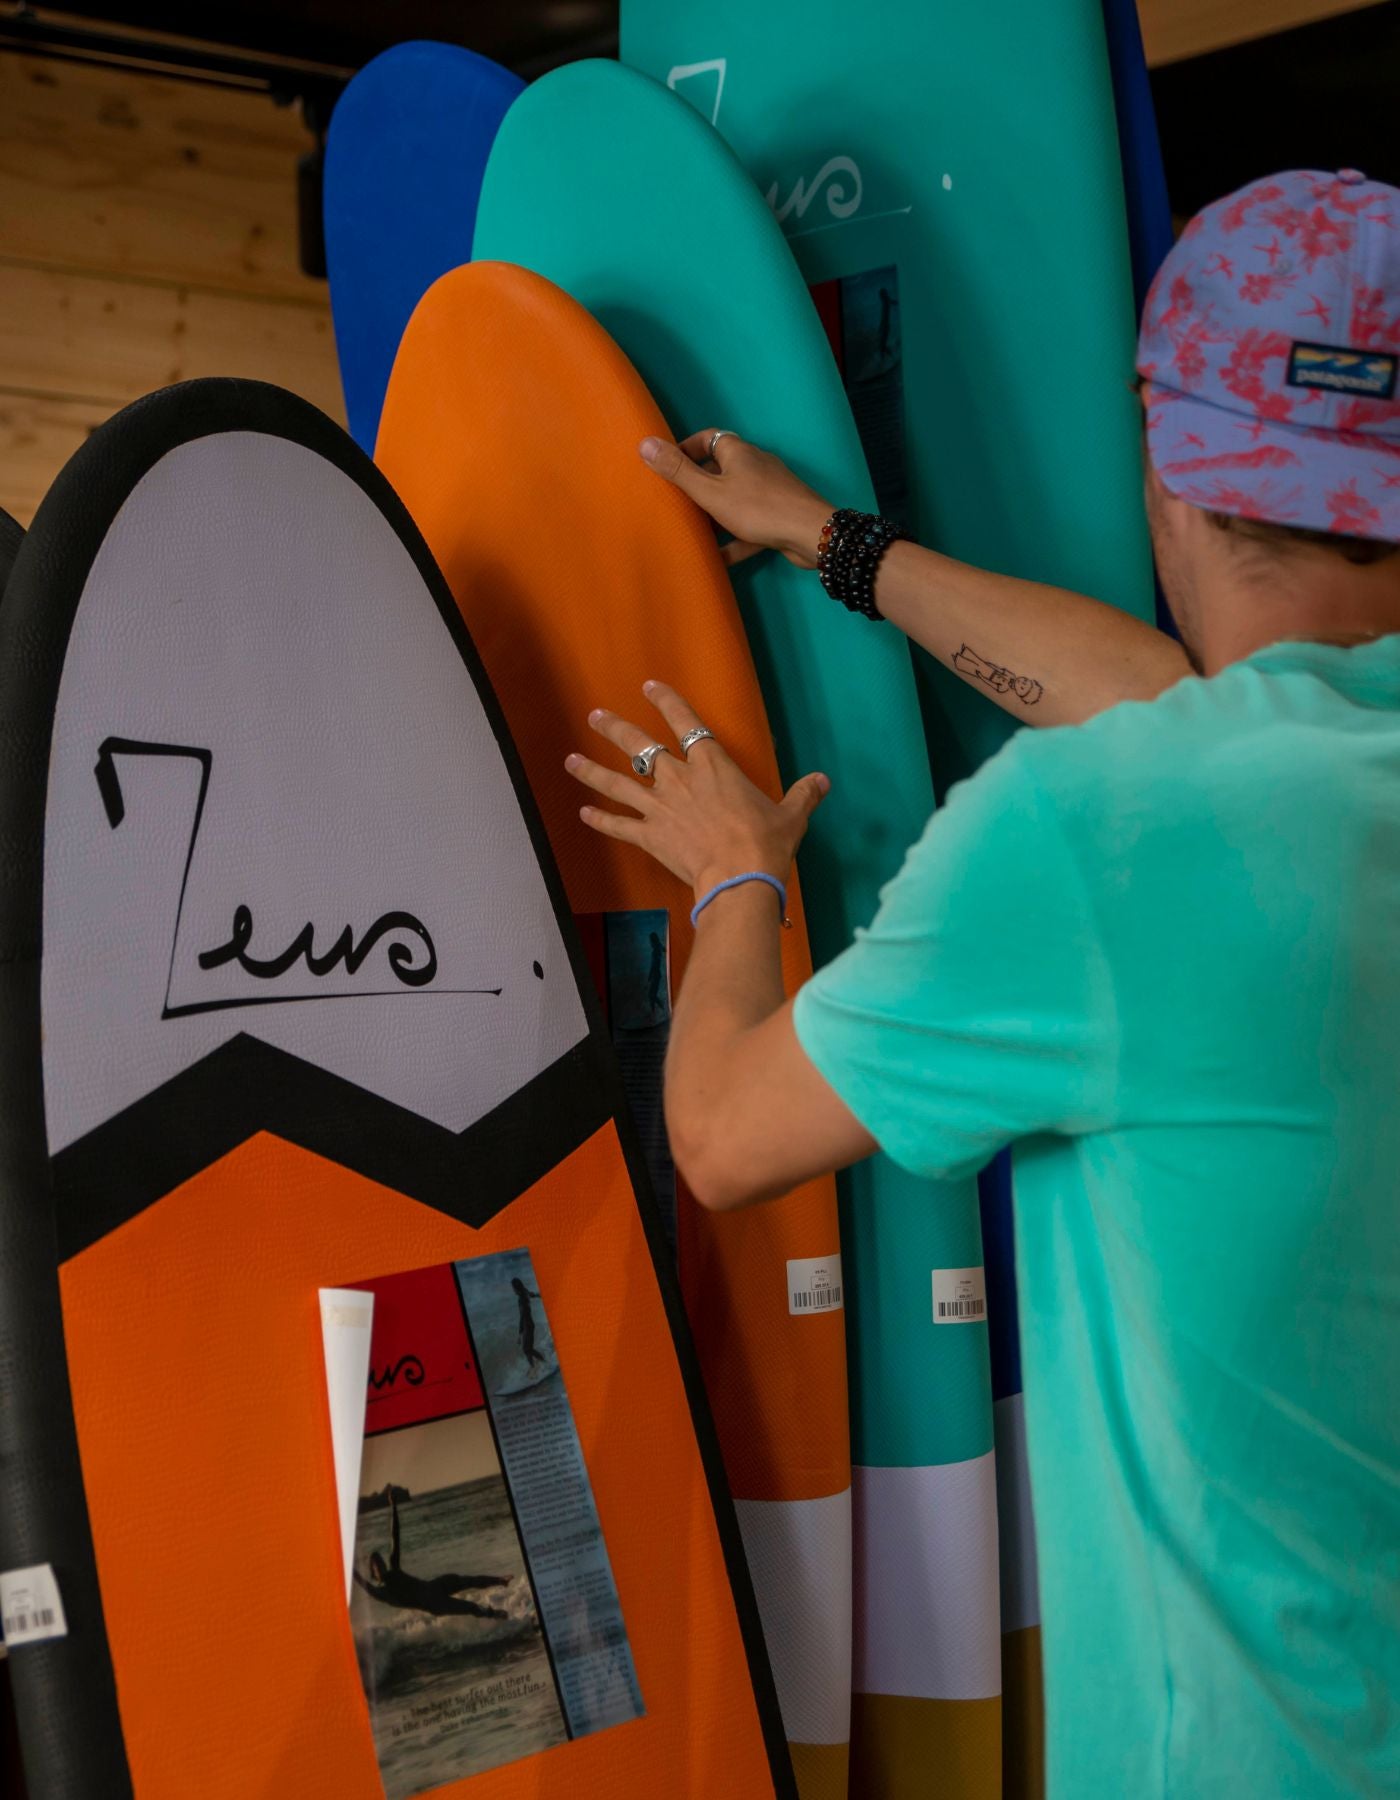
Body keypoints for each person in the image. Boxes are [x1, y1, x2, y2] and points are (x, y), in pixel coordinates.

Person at [564, 170, 1400, 1798]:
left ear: (1170, 473)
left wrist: (738, 878)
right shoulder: (1227, 796)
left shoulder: (1104, 837)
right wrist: (831, 542)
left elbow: (726, 1135)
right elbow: (1177, 696)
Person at [353, 1486, 510, 1619]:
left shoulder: (394, 1568)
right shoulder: (382, 1592)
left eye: (381, 1562)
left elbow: (395, 1536)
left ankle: (500, 1580)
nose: (381, 1565)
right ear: (374, 1573)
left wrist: (393, 1507)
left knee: (463, 1580)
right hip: (435, 1604)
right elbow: (363, 1583)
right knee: (471, 1607)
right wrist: (348, 1569)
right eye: (377, 1565)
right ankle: (497, 1616)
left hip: (435, 1586)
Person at [511, 1274, 546, 1370]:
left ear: (516, 1288)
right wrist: (539, 1295)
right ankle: (537, 1365)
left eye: (513, 1288)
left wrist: (519, 1334)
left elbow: (522, 1317)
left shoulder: (521, 1299)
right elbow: (532, 1294)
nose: (512, 1290)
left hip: (527, 1325)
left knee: (527, 1349)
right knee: (528, 1349)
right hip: (530, 1324)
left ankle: (539, 1364)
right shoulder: (525, 1291)